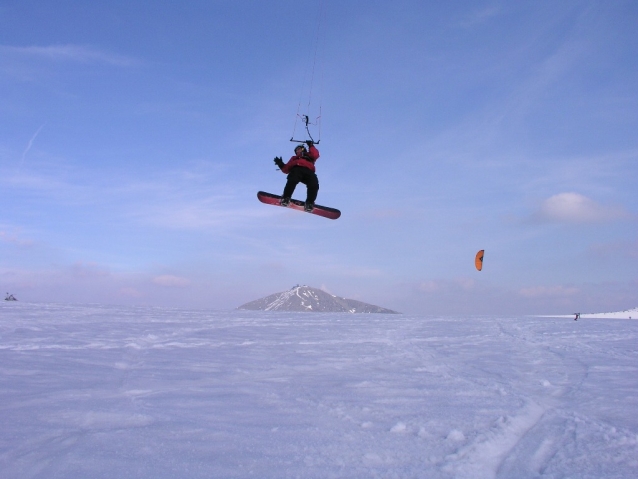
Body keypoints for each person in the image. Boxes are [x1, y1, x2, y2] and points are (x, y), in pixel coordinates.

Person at [274, 141, 320, 212]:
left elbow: (315, 154)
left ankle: (310, 203)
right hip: (297, 169)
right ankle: (286, 197)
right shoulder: (294, 158)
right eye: (296, 150)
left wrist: (311, 145)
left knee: (314, 184)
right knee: (292, 179)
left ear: (303, 149)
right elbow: (286, 169)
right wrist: (281, 164)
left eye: (299, 149)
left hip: (309, 171)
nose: (297, 151)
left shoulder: (309, 155)